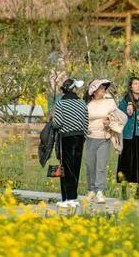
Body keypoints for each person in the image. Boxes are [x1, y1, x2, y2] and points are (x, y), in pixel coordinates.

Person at [51, 78, 88, 208]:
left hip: (66, 138)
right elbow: (86, 121)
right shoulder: (82, 103)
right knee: (76, 166)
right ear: (74, 89)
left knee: (66, 167)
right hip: (79, 137)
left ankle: (68, 198)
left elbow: (58, 123)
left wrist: (52, 123)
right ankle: (73, 197)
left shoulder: (61, 103)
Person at [84, 79, 117, 204]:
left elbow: (117, 117)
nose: (103, 90)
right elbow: (84, 120)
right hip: (90, 137)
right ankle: (91, 190)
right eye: (101, 88)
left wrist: (110, 122)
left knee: (101, 166)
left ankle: (100, 191)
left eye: (104, 88)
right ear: (94, 91)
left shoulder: (109, 102)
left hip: (105, 137)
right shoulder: (88, 104)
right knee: (89, 164)